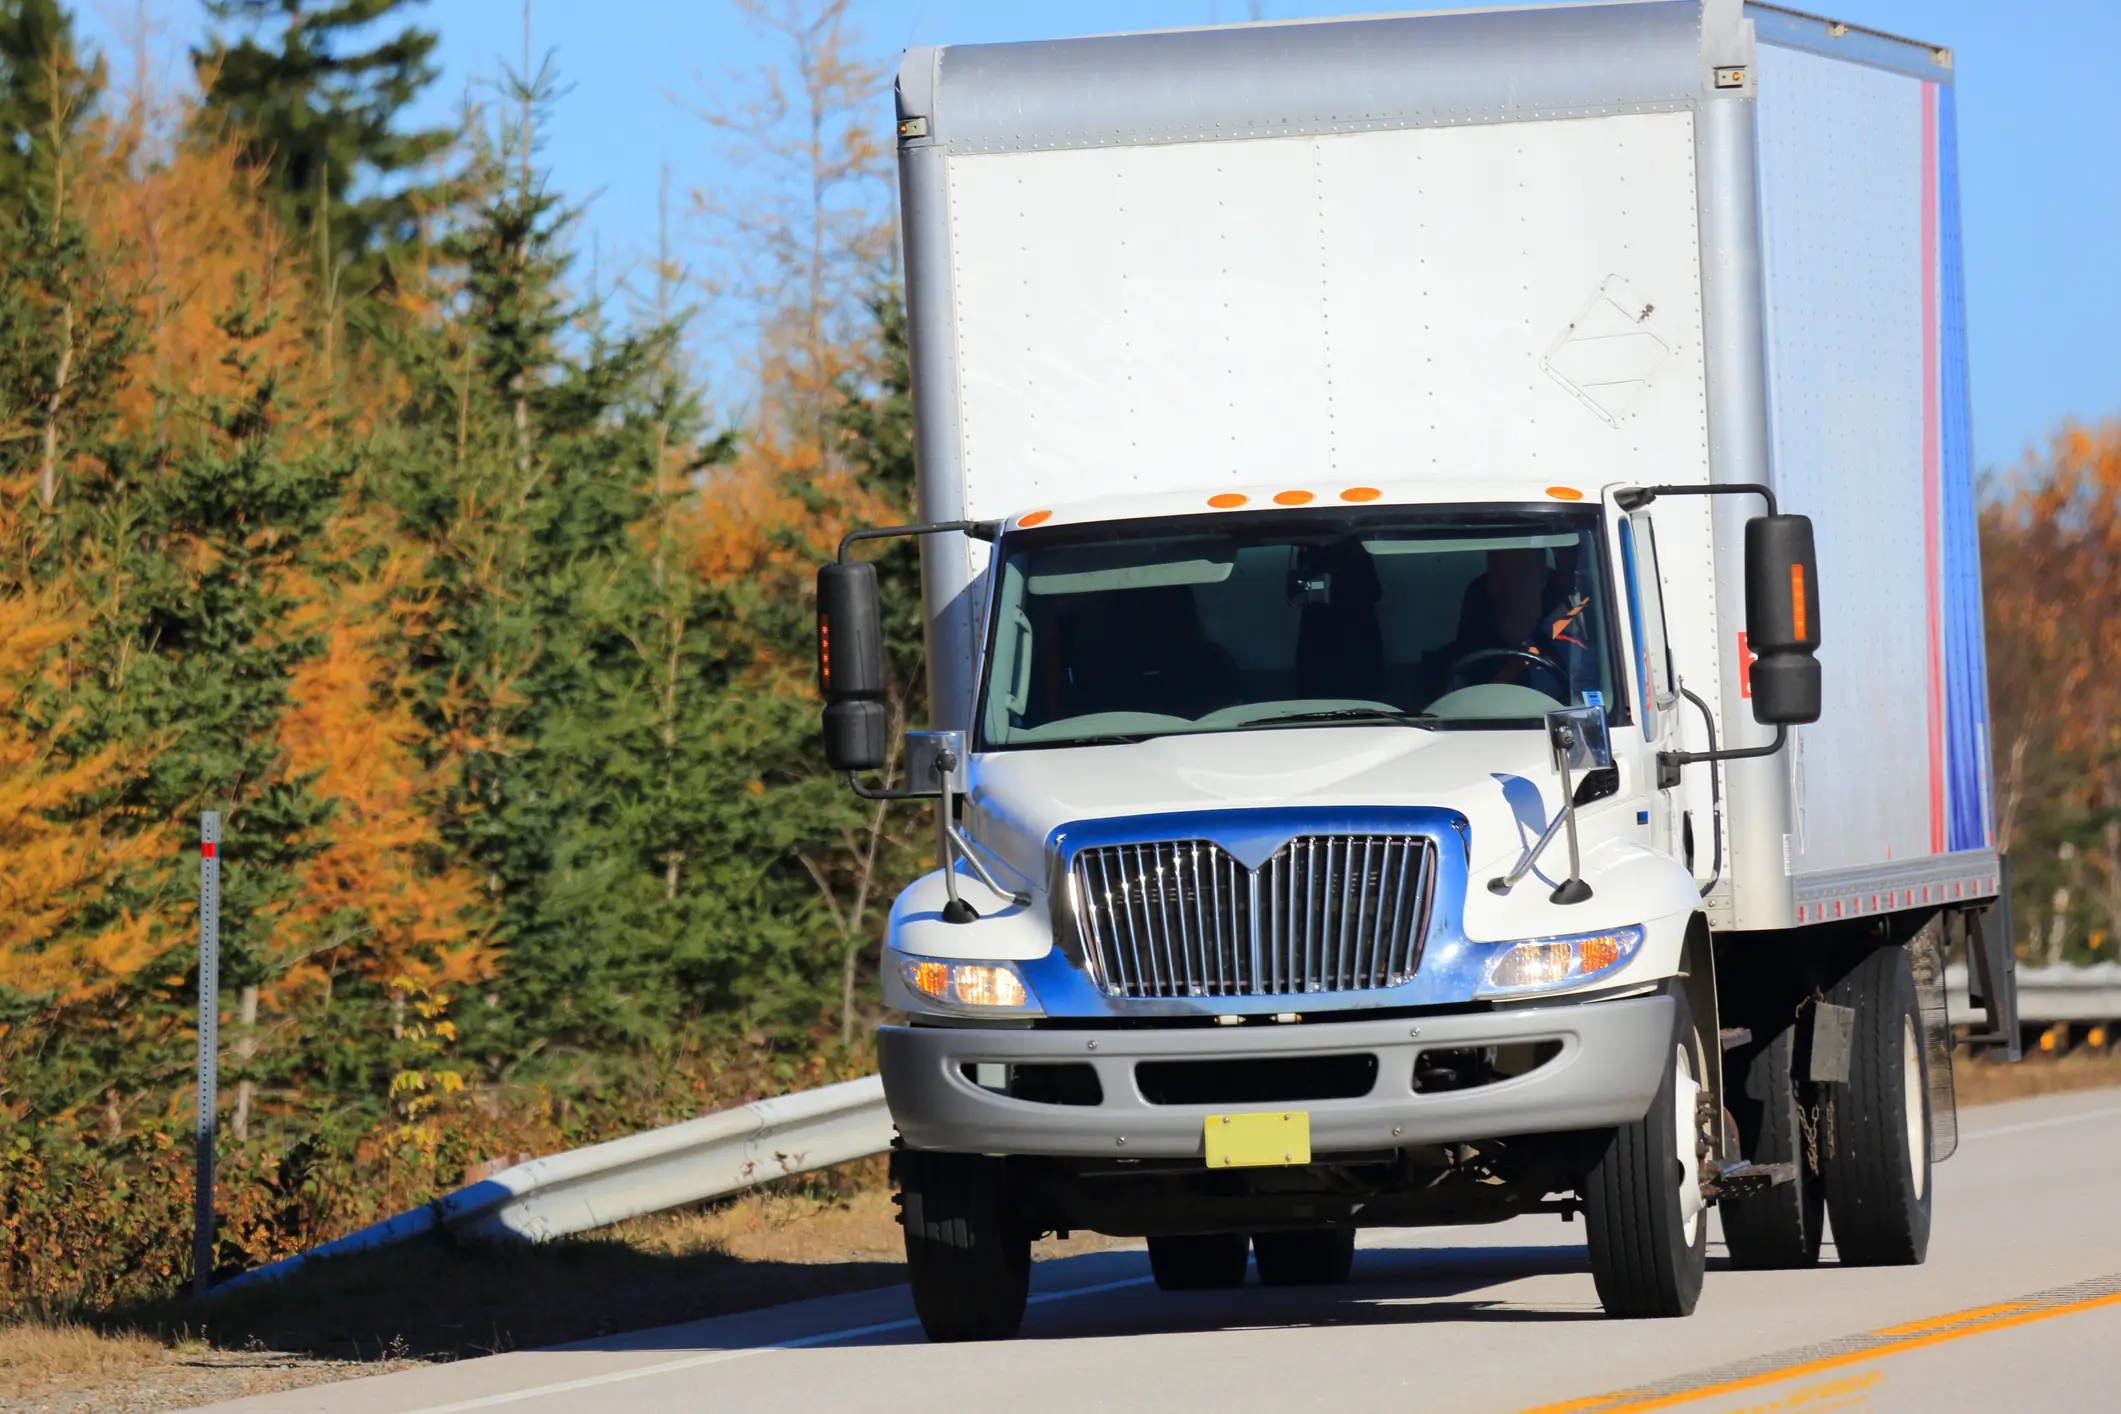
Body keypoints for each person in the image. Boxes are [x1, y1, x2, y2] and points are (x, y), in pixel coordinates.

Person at [1423, 546, 1594, 703]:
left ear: (1542, 576)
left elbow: (1591, 708)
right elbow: (1451, 715)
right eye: (1498, 575)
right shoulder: (1467, 661)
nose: (1507, 588)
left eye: (1519, 575)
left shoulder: (1572, 650)